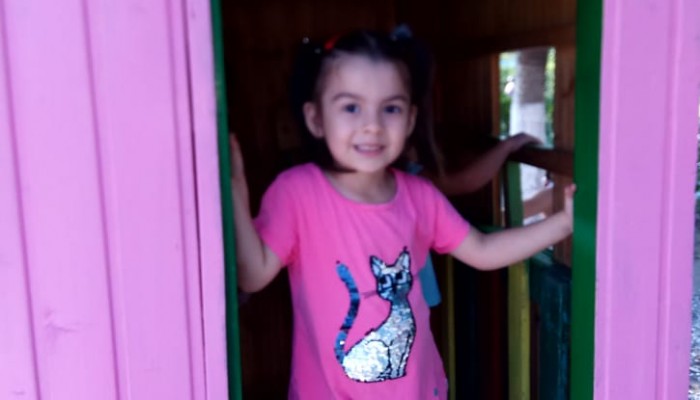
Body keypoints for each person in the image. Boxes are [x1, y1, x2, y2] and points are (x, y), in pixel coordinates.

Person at [230, 29, 574, 400]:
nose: (372, 125)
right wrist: (234, 196)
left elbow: (483, 250)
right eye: (351, 107)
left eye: (390, 108)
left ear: (410, 120)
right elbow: (253, 275)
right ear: (315, 118)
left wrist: (563, 223)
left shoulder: (419, 196)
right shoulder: (296, 192)